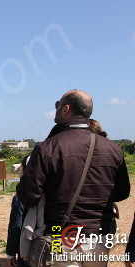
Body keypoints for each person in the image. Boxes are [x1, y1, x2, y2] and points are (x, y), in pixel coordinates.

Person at [17, 89, 130, 267]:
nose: (56, 109)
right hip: (98, 235)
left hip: (58, 233)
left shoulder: (47, 148)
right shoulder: (113, 149)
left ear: (66, 109)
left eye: (57, 105)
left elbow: (29, 195)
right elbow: (122, 192)